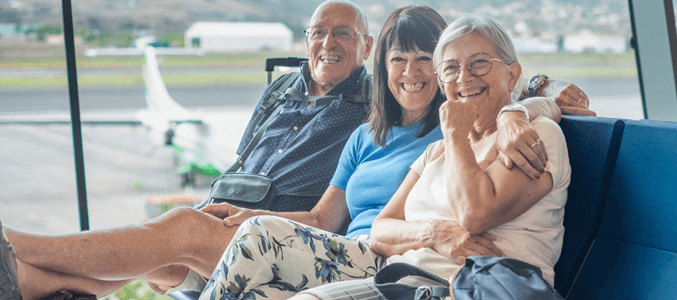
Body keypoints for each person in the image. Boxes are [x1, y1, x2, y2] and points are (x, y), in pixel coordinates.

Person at [0, 4, 590, 300]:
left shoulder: (459, 128)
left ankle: (5, 246)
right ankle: (12, 276)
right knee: (173, 252)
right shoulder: (370, 134)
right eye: (402, 59)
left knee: (180, 236)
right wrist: (243, 216)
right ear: (384, 66)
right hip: (348, 246)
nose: (417, 72)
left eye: (429, 60)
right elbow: (324, 217)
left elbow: (502, 82)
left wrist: (535, 97)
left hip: (373, 262)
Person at [195, 10, 571, 300]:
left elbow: (475, 215)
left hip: (467, 284)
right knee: (263, 293)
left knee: (264, 240)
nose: (463, 78)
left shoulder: (529, 137)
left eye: (479, 64)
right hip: (405, 276)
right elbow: (381, 230)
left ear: (511, 74)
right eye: (451, 68)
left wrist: (502, 116)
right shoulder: (435, 151)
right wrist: (433, 232)